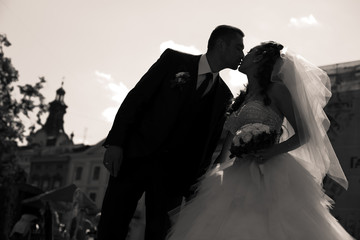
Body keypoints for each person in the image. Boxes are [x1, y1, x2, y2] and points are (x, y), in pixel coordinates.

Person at [167, 41, 355, 239]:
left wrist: (272, 151)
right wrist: (212, 175)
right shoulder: (242, 98)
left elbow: (305, 134)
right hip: (236, 172)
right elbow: (227, 147)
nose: (243, 56)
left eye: (248, 52)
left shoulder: (277, 90)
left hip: (271, 171)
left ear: (258, 58)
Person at [97, 25, 245, 240]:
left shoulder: (223, 95)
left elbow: (207, 144)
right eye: (238, 47)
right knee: (112, 225)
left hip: (173, 178)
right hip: (134, 158)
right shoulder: (174, 61)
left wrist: (196, 185)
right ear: (221, 44)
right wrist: (116, 144)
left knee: (160, 235)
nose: (242, 54)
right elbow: (137, 98)